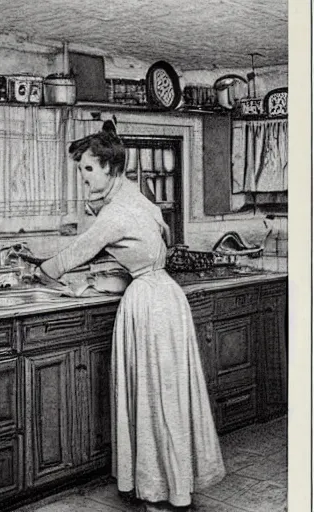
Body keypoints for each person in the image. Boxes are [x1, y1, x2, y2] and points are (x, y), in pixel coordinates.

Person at [21, 123, 226, 511]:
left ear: (110, 169)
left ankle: (157, 491)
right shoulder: (138, 198)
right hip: (166, 296)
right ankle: (176, 485)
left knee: (153, 396)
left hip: (147, 305)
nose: (83, 178)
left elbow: (73, 255)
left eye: (87, 169)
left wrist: (39, 271)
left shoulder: (116, 213)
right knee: (169, 395)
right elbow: (150, 243)